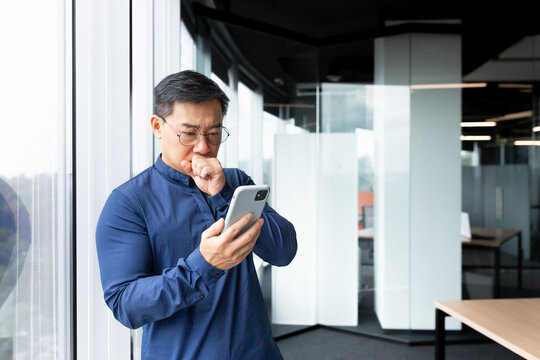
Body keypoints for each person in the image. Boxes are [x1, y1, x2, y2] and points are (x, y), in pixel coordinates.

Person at [95, 70, 297, 359]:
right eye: (189, 133)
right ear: (157, 126)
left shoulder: (236, 182)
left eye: (214, 133)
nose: (203, 146)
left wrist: (224, 194)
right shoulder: (128, 203)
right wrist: (203, 265)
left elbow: (284, 251)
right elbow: (125, 304)